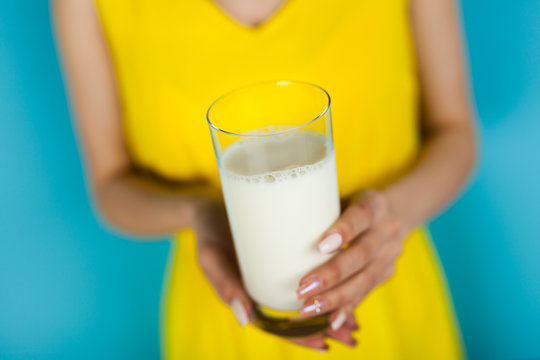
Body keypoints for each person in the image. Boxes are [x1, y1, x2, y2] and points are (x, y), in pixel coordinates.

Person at [53, 0, 477, 358]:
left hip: (386, 290)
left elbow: (456, 132)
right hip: (222, 314)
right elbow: (110, 186)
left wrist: (390, 217)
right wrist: (198, 211)